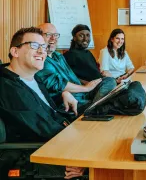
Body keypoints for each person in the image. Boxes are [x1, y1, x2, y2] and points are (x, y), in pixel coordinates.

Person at [0, 27, 84, 179]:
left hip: (57, 146)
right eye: (34, 46)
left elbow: (46, 111)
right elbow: (43, 126)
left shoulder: (35, 79)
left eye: (43, 47)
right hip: (39, 159)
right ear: (15, 51)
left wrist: (63, 93)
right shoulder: (7, 87)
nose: (41, 51)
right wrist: (79, 153)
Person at [36, 23, 116, 110]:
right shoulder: (41, 59)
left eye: (55, 35)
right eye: (48, 35)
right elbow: (57, 84)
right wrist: (86, 88)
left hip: (83, 93)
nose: (53, 38)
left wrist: (91, 85)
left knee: (110, 81)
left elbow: (73, 77)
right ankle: (95, 108)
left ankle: (96, 106)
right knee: (114, 104)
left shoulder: (59, 56)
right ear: (38, 38)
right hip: (68, 99)